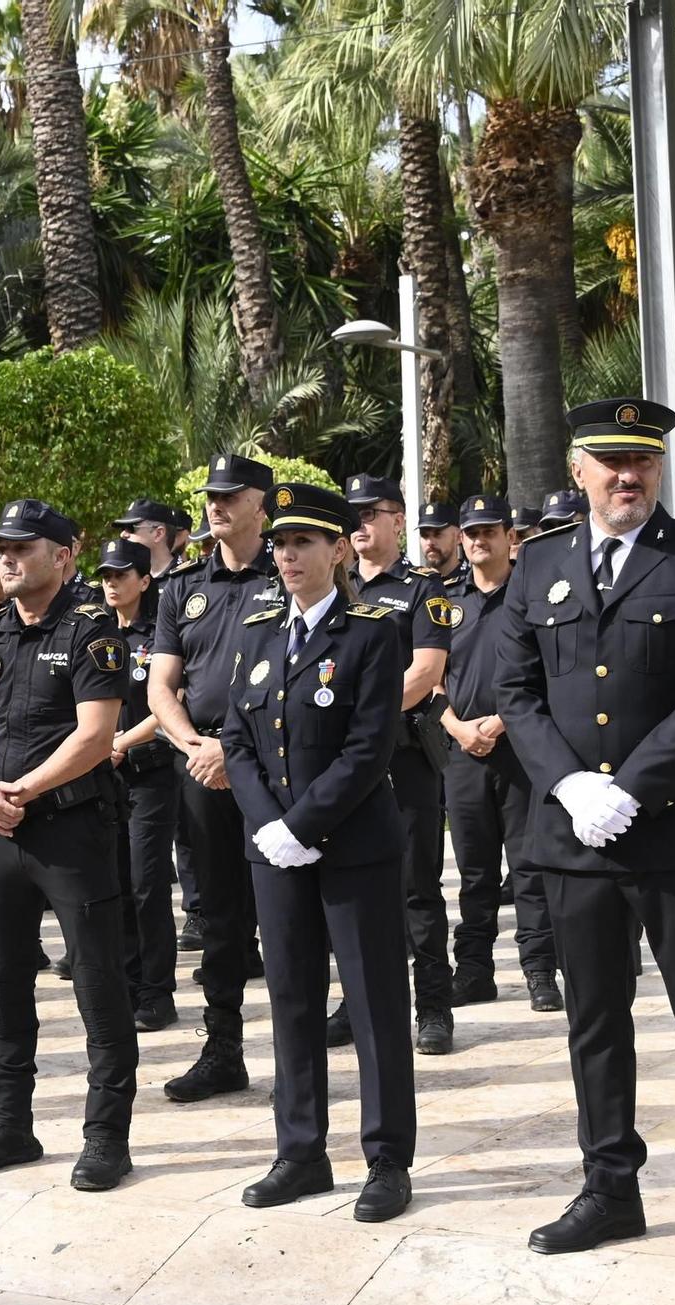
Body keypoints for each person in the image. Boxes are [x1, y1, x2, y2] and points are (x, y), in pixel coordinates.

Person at [499, 397, 675, 1279]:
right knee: (595, 1020)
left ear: (659, 471)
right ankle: (610, 1185)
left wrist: (632, 790)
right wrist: (570, 784)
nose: (626, 476)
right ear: (578, 470)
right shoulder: (537, 568)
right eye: (609, 460)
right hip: (573, 838)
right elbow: (515, 687)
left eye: (642, 461)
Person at [223, 482, 416, 1222]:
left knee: (372, 1007)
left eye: (305, 542)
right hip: (273, 849)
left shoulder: (372, 631)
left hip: (352, 848)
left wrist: (300, 823)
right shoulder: (259, 626)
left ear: (339, 549)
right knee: (293, 1001)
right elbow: (238, 736)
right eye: (281, 542)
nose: (289, 555)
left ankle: (387, 1158)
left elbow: (370, 748)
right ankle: (300, 1151)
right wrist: (270, 825)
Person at [0, 498, 135, 1190]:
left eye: (24, 547)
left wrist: (18, 788)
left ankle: (106, 1135)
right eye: (3, 546)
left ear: (64, 556)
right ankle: (9, 1126)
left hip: (71, 830)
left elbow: (95, 736)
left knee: (97, 983)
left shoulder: (92, 632)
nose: (8, 557)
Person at [149, 453, 280, 1103]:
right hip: (202, 769)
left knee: (289, 912)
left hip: (274, 771)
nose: (217, 504)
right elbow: (161, 686)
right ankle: (222, 1047)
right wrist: (197, 744)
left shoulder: (287, 574)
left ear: (263, 502)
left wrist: (234, 748)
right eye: (211, 494)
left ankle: (302, 1049)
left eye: (232, 494)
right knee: (219, 917)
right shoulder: (182, 587)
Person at [436, 497, 559, 1012]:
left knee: (529, 867)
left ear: (510, 535)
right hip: (462, 749)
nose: (479, 540)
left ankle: (539, 970)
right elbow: (429, 675)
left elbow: (550, 670)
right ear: (461, 539)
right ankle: (474, 970)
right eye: (471, 533)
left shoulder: (532, 595)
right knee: (474, 871)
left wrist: (504, 720)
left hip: (521, 747)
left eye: (489, 530)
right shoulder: (444, 601)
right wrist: (458, 727)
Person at [346, 473, 455, 1055]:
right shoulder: (333, 588)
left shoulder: (421, 589)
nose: (361, 524)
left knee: (417, 887)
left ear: (398, 521)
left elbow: (427, 670)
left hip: (403, 756)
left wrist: (359, 713)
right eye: (353, 515)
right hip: (344, 762)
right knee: (351, 884)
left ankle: (434, 1004)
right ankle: (355, 1002)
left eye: (373, 513)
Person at [96, 539, 178, 1033]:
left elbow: (170, 698)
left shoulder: (159, 633)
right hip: (106, 775)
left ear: (144, 581)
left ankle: (157, 991)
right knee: (116, 884)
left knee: (147, 885)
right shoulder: (96, 631)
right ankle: (126, 983)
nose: (111, 583)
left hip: (149, 771)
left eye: (121, 575)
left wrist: (122, 740)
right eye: (105, 574)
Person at [415, 500, 465, 588]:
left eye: (437, 534)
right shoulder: (416, 584)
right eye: (424, 535)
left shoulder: (473, 581)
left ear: (458, 537)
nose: (430, 542)